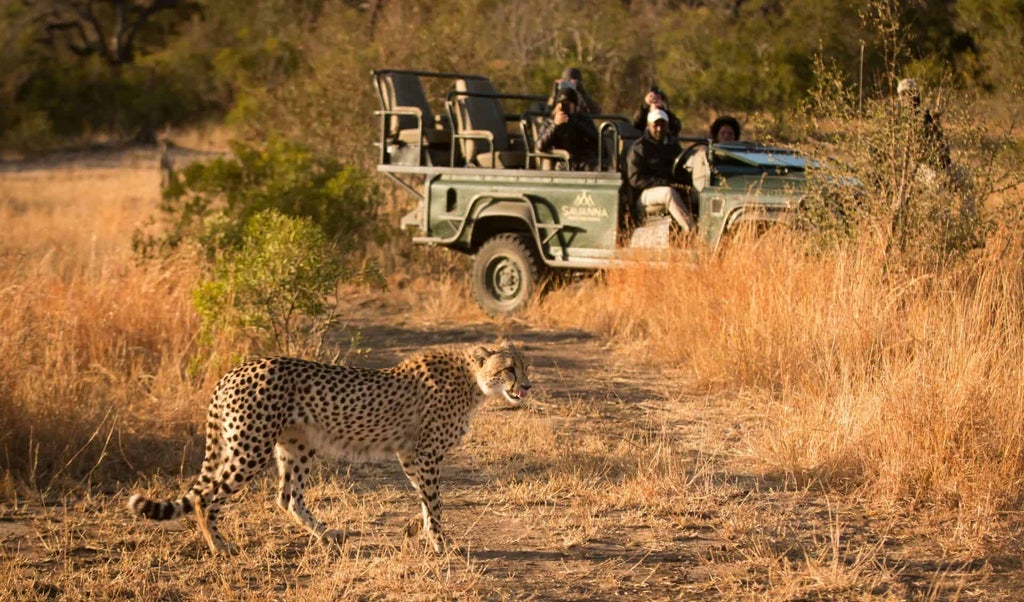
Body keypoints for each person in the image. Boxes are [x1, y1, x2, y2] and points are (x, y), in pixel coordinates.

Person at [626, 108, 692, 230]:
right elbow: (635, 179)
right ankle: (692, 231)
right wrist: (665, 182)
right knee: (668, 193)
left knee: (698, 194)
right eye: (655, 125)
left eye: (663, 125)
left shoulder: (672, 146)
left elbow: (681, 169)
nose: (659, 129)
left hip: (671, 187)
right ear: (648, 126)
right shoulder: (639, 148)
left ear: (667, 126)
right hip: (643, 194)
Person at [535, 87, 600, 171]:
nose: (565, 107)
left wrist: (574, 121)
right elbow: (539, 146)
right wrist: (555, 125)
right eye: (562, 104)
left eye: (569, 104)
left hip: (585, 162)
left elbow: (597, 140)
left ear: (575, 105)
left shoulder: (583, 119)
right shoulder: (550, 122)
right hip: (563, 163)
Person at [897, 78, 951, 171]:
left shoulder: (922, 117)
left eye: (904, 95)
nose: (902, 99)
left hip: (929, 168)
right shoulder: (918, 116)